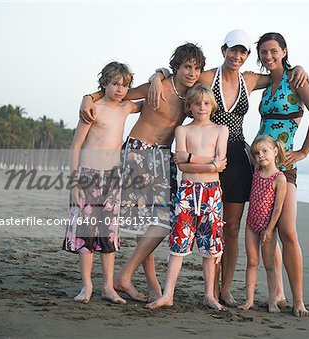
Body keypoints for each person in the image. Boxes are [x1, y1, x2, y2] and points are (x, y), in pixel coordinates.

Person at [149, 29, 308, 307]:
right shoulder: (208, 77)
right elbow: (180, 77)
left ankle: (224, 290)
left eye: (243, 52)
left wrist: (299, 68)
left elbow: (279, 73)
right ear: (224, 50)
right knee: (205, 223)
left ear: (247, 56)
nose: (237, 56)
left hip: (236, 156)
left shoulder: (250, 80)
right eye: (232, 50)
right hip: (205, 159)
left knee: (231, 227)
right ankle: (200, 287)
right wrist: (157, 74)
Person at [79, 43, 226, 303]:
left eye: (196, 68)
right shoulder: (158, 86)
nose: (192, 72)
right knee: (146, 221)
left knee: (161, 221)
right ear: (176, 67)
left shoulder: (192, 95)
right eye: (187, 67)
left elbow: (223, 77)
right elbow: (118, 93)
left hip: (163, 156)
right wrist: (87, 97)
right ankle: (145, 283)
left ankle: (128, 277)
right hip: (138, 151)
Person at [255, 32, 309, 316]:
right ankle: (277, 294)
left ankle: (298, 300)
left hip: (284, 167)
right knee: (266, 232)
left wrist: (305, 151)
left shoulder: (296, 79)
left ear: (284, 51)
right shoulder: (265, 84)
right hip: (260, 164)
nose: (268, 56)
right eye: (263, 52)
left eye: (273, 50)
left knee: (287, 231)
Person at [63, 61, 141, 304]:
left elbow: (149, 97)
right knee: (85, 234)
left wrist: (159, 75)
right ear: (104, 83)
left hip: (113, 178)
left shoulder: (126, 107)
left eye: (125, 85)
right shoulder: (93, 109)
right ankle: (87, 286)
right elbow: (75, 146)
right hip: (87, 176)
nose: (119, 89)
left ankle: (108, 286)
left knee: (108, 234)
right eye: (115, 83)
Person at [146, 84, 229, 311]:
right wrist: (209, 162)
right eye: (196, 103)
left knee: (210, 245)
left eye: (205, 103)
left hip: (211, 192)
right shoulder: (182, 130)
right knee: (179, 242)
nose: (201, 107)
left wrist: (193, 157)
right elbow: (181, 164)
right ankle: (167, 294)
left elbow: (220, 165)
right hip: (187, 190)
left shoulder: (221, 130)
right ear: (189, 107)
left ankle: (209, 295)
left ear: (212, 105)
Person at [238, 136, 287, 313]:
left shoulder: (279, 178)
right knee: (252, 262)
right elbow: (248, 150)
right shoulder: (257, 170)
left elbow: (278, 208)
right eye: (257, 153)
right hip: (251, 224)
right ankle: (249, 300)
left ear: (275, 152)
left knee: (269, 265)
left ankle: (272, 301)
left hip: (267, 227)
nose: (260, 156)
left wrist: (269, 229)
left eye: (265, 151)